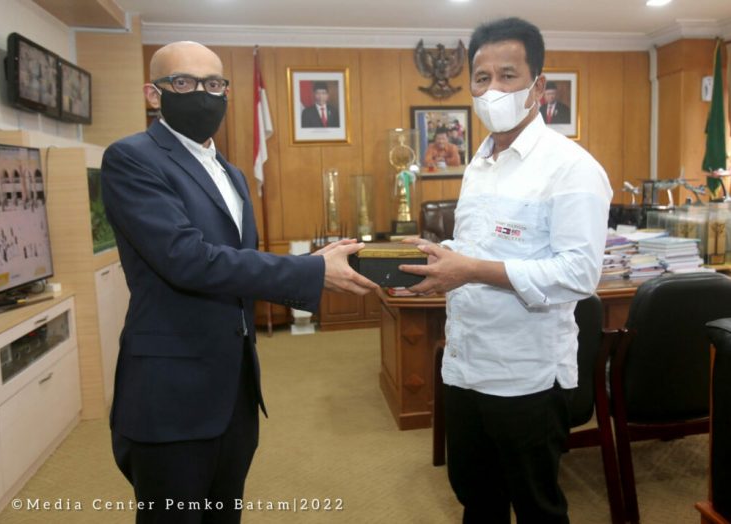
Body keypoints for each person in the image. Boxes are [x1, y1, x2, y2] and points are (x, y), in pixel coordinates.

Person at [101, 41, 377, 524]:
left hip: (233, 388)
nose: (202, 95)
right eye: (183, 84)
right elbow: (186, 260)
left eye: (214, 84)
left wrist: (307, 269)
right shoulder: (132, 158)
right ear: (153, 94)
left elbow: (238, 261)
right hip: (172, 393)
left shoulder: (230, 171)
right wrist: (309, 270)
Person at [400, 17, 612, 524]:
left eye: (508, 75)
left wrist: (469, 268)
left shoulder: (571, 167)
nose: (492, 89)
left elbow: (579, 274)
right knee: (476, 498)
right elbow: (481, 246)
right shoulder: (480, 161)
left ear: (538, 87)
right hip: (466, 364)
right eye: (481, 78)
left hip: (527, 377)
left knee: (538, 507)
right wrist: (443, 253)